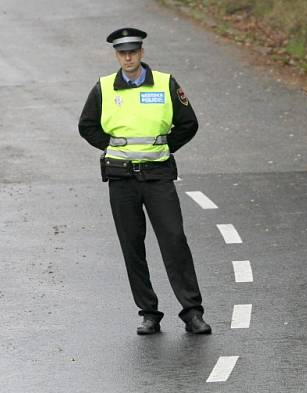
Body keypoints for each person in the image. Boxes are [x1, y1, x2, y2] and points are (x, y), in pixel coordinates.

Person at [78, 27, 211, 335]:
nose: (128, 57)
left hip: (158, 175)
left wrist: (164, 147)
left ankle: (192, 312)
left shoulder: (165, 83)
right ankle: (149, 312)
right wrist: (114, 147)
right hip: (121, 177)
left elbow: (188, 123)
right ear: (116, 55)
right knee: (132, 245)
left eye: (133, 52)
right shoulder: (104, 88)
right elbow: (86, 126)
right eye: (122, 53)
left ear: (141, 53)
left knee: (174, 240)